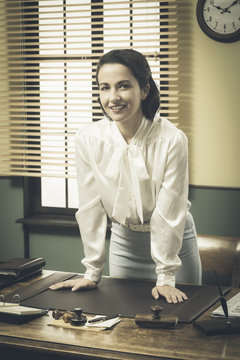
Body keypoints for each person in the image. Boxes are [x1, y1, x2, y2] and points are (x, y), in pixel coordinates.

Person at [50, 49, 202, 303]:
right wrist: (92, 270)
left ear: (144, 90)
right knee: (124, 324)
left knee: (179, 325)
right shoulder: (88, 138)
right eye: (104, 88)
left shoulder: (172, 139)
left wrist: (165, 276)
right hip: (123, 243)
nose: (113, 97)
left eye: (123, 86)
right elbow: (90, 205)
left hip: (176, 248)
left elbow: (169, 211)